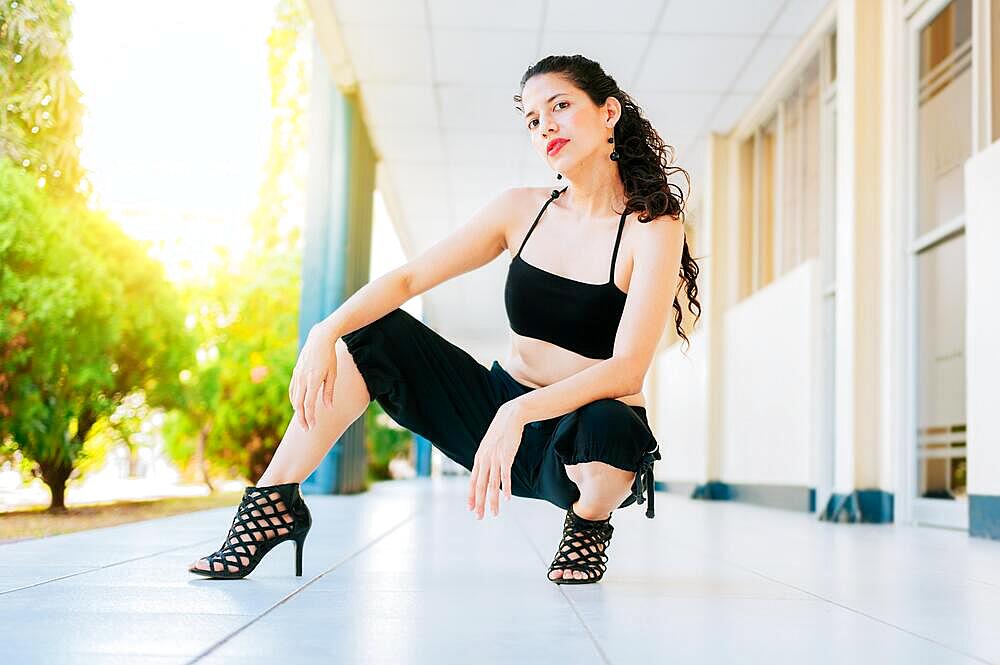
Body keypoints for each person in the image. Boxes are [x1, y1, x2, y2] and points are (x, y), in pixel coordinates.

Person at [188, 54, 700, 584]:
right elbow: (409, 280)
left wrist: (518, 414)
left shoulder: (653, 228)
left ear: (608, 112)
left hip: (581, 433)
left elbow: (628, 370)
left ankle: (589, 525)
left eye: (560, 106)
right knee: (372, 333)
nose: (545, 124)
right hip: (500, 412)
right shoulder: (520, 210)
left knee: (610, 431)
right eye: (532, 119)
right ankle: (274, 504)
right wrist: (326, 330)